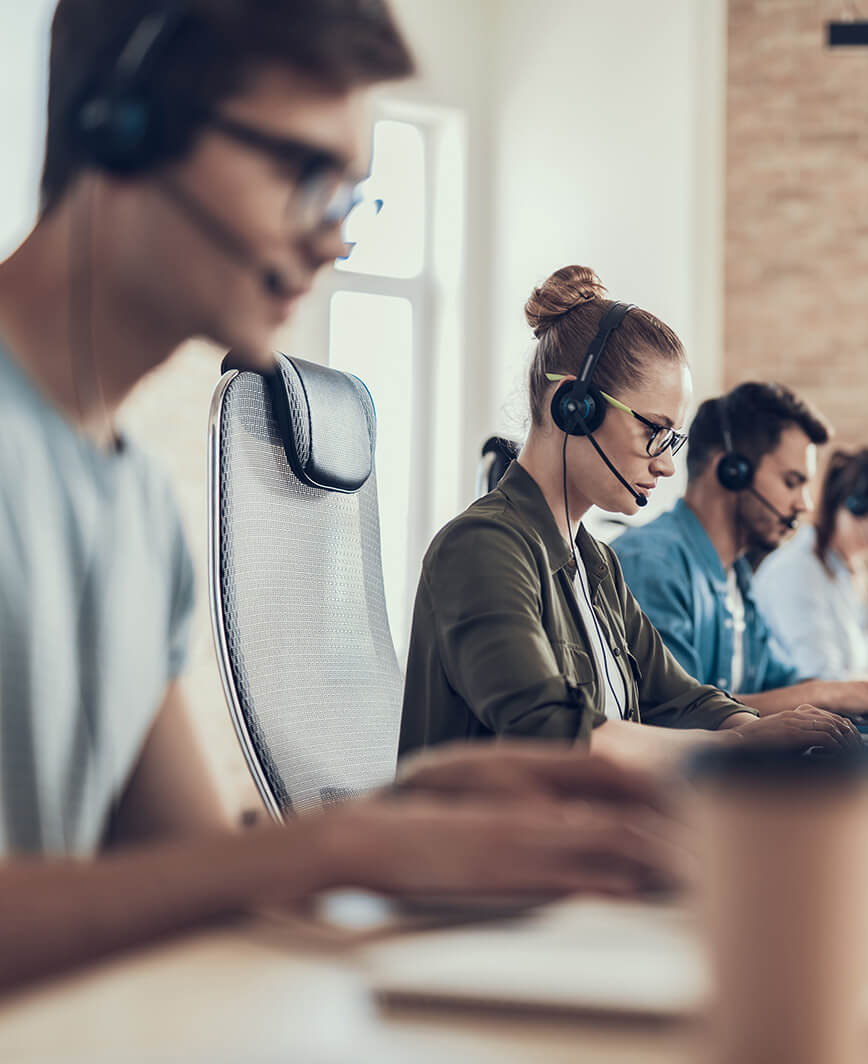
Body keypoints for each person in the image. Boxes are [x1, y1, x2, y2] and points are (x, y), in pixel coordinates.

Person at [0, 0, 677, 992]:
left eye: (353, 196)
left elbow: (195, 882)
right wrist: (331, 846)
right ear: (124, 122)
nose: (334, 242)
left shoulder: (133, 506)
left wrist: (418, 825)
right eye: (304, 175)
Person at [398, 266, 860, 765]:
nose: (665, 464)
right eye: (653, 432)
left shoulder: (595, 563)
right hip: (492, 839)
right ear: (572, 407)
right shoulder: (481, 548)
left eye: (672, 440)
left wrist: (772, 733)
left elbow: (682, 698)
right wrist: (741, 744)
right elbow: (547, 731)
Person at [613, 383, 868, 718]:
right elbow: (677, 711)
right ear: (731, 472)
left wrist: (864, 692)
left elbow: (784, 682)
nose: (805, 504)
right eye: (791, 482)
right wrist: (823, 694)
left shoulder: (739, 579)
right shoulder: (653, 563)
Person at [754, 448, 868, 681]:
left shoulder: (848, 572)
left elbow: (853, 675)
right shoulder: (797, 571)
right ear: (860, 504)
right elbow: (823, 683)